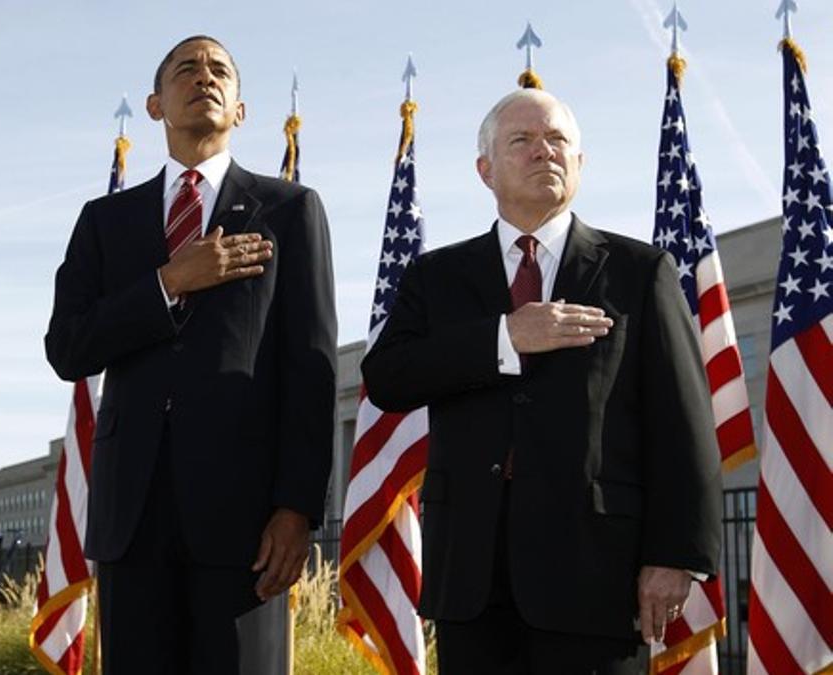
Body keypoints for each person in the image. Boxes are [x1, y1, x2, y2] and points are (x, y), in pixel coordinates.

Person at [361, 88, 722, 674]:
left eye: (558, 141)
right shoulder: (436, 277)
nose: (543, 152)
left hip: (598, 578)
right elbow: (387, 378)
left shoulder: (639, 271)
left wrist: (676, 556)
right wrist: (504, 338)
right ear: (485, 169)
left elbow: (683, 423)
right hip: (472, 581)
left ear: (579, 164)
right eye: (522, 141)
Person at [45, 35, 336, 673]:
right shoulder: (105, 220)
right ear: (155, 104)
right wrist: (169, 283)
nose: (203, 76)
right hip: (133, 517)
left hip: (245, 520)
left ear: (240, 109)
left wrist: (296, 509)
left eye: (219, 70)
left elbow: (309, 368)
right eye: (186, 68)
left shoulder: (289, 211)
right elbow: (68, 348)